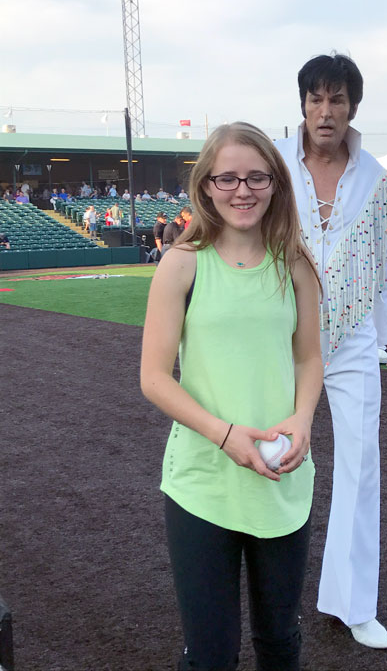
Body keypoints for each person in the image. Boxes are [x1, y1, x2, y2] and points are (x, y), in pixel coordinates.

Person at [140, 121, 322, 671]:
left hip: (282, 477)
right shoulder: (182, 263)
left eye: (257, 177)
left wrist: (304, 416)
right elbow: (153, 376)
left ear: (276, 183)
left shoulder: (295, 263)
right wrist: (224, 435)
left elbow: (309, 356)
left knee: (279, 644)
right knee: (211, 656)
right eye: (228, 179)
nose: (243, 190)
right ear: (206, 186)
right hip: (203, 482)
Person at [275, 53, 387, 650]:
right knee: (276, 453)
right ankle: (269, 595)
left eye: (337, 100)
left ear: (352, 107)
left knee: (361, 467)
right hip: (282, 333)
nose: (325, 111)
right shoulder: (274, 162)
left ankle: (352, 604)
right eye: (315, 98)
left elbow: (382, 268)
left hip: (356, 335)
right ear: (303, 104)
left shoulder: (373, 177)